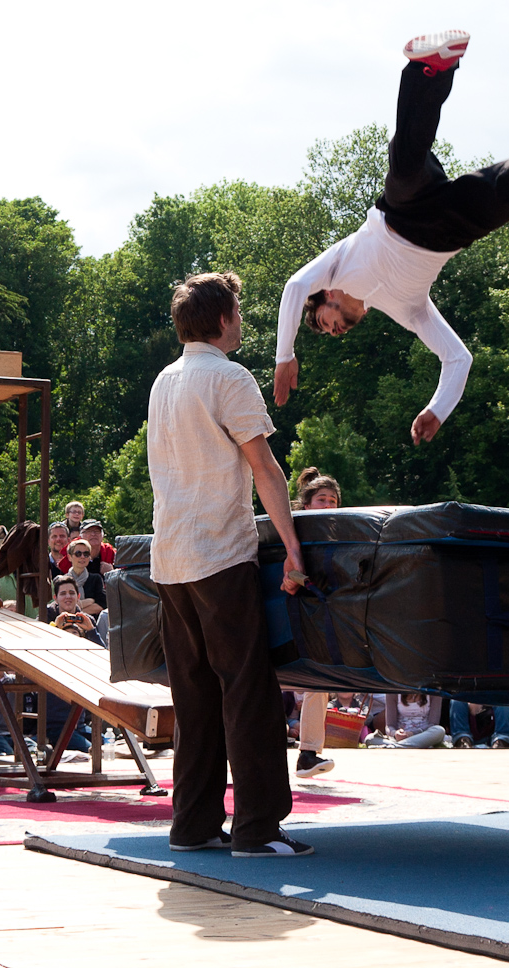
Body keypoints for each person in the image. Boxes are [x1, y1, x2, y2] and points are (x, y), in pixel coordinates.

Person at [274, 31, 509, 446]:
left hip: (401, 211)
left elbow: (295, 286)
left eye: (325, 322)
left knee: (406, 159)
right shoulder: (407, 310)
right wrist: (438, 409)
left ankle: (431, 68)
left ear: (327, 294)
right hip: (451, 230)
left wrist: (285, 356)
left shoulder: (336, 266)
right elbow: (457, 358)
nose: (335, 332)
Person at [148, 271, 311, 858]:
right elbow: (265, 468)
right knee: (247, 691)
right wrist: (293, 549)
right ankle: (258, 828)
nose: (242, 321)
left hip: (171, 558)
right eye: (238, 312)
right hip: (219, 552)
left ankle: (192, 824)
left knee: (194, 697)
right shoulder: (229, 376)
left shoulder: (164, 380)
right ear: (222, 319)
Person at [289, 467, 339, 779]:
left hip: (315, 618)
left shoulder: (339, 536)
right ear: (307, 505)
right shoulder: (292, 530)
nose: (328, 505)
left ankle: (308, 753)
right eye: (322, 499)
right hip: (285, 612)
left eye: (333, 500)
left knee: (318, 681)